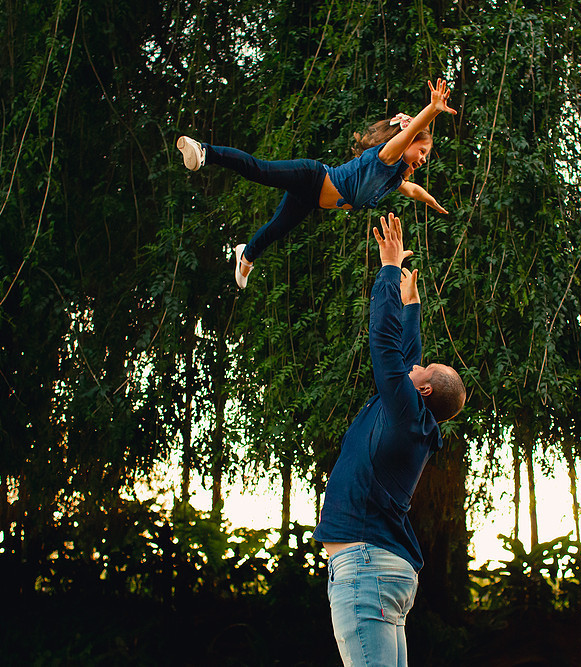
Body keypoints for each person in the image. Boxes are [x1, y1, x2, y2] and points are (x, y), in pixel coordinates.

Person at [312, 212, 465, 667]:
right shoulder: (412, 417)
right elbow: (405, 355)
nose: (414, 364)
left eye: (420, 369)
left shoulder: (404, 412)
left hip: (365, 568)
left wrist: (388, 268)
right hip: (382, 568)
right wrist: (411, 303)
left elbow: (384, 340)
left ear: (420, 389)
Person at [176, 79, 456, 288]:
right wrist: (432, 109)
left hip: (311, 198)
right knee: (259, 171)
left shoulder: (392, 179)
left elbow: (414, 190)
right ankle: (204, 152)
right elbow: (411, 133)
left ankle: (246, 256)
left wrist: (433, 202)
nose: (422, 159)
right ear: (409, 140)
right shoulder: (386, 157)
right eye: (422, 152)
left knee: (276, 229)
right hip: (311, 176)